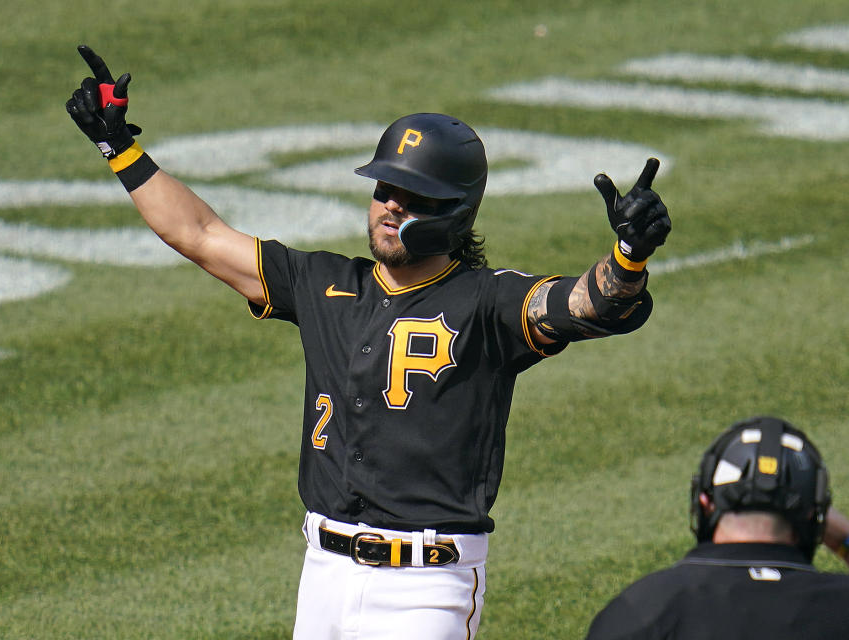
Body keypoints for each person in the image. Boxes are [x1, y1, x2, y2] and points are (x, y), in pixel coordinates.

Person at [65, 45, 671, 639]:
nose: (389, 205)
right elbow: (198, 234)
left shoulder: (488, 302)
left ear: (455, 211)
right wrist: (118, 148)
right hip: (323, 576)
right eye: (384, 188)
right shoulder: (324, 283)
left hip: (426, 588)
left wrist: (628, 256)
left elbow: (583, 305)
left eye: (412, 197)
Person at [585, 416, 849, 640]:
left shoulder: (645, 606)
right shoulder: (840, 603)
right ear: (816, 516)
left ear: (704, 503)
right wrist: (844, 538)